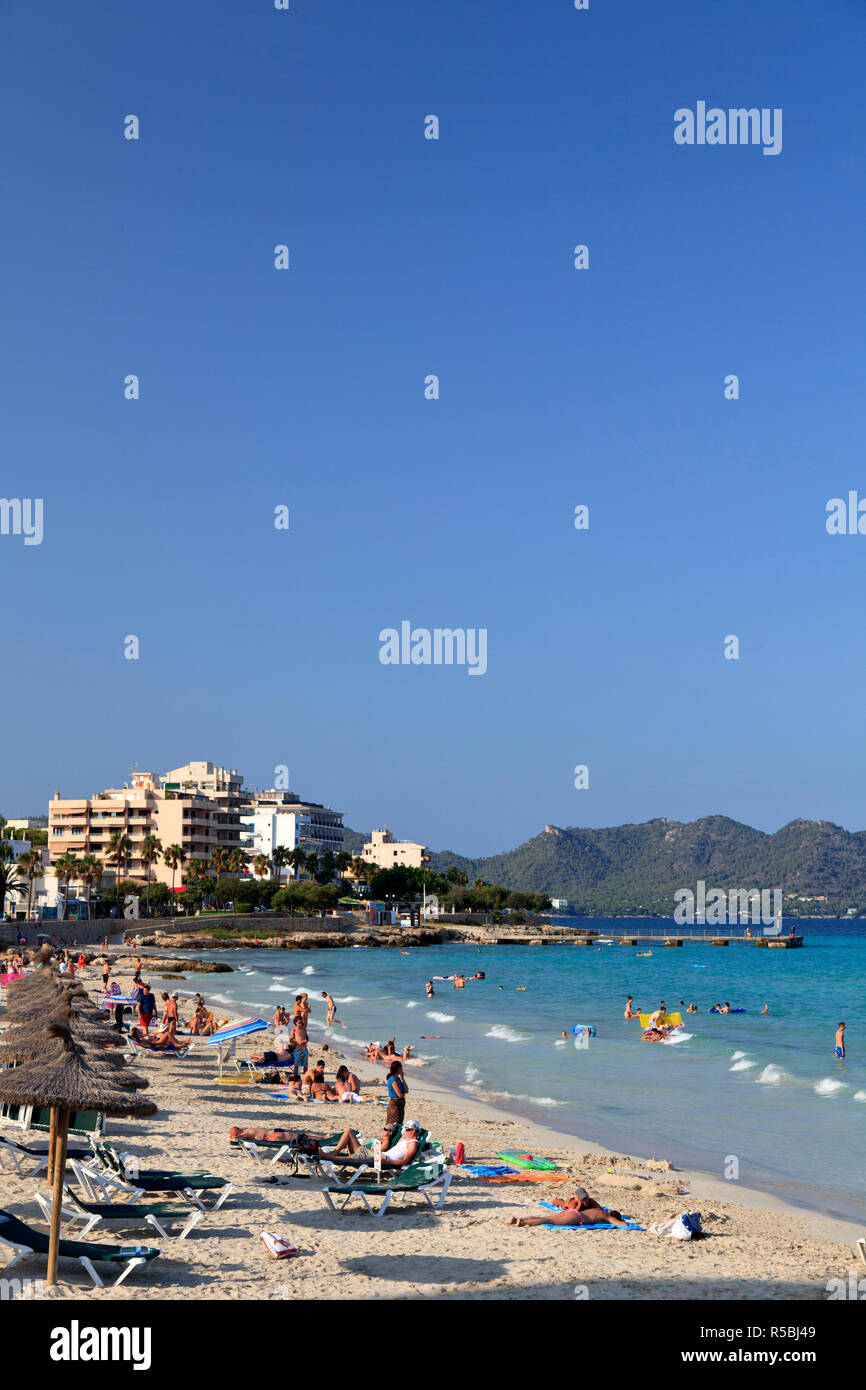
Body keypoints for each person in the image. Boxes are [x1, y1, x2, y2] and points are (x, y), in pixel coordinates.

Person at [320, 1118, 422, 1169]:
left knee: (354, 1158)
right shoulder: (406, 1140)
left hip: (384, 1159)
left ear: (414, 1131)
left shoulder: (413, 1144)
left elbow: (405, 1161)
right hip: (377, 1155)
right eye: (406, 1130)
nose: (407, 1132)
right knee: (349, 1131)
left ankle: (329, 1157)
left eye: (409, 1130)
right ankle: (334, 1153)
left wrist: (388, 1163)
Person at [386, 1059, 407, 1125]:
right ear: (398, 1069)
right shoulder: (393, 1080)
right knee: (393, 1124)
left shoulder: (397, 1079)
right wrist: (402, 1094)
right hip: (395, 1104)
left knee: (399, 1123)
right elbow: (400, 1095)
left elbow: (406, 1090)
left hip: (400, 1104)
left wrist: (402, 1078)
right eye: (401, 1067)